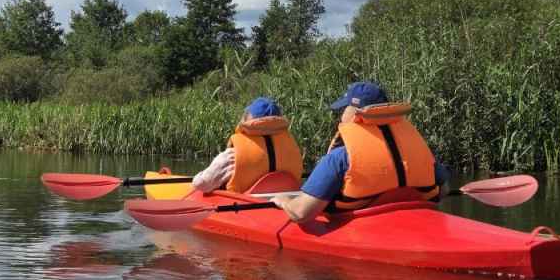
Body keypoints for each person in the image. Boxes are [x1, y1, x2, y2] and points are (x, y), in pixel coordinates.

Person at [272, 81, 450, 224]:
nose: (341, 114)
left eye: (344, 109)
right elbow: (443, 190)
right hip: (416, 221)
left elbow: (301, 213)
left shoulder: (341, 157)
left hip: (363, 227)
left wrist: (284, 201)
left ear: (355, 112)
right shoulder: (415, 145)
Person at [191, 96, 303, 193]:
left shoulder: (232, 156)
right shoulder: (292, 149)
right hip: (286, 205)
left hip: (242, 210)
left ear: (247, 119)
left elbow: (201, 185)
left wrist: (198, 178)